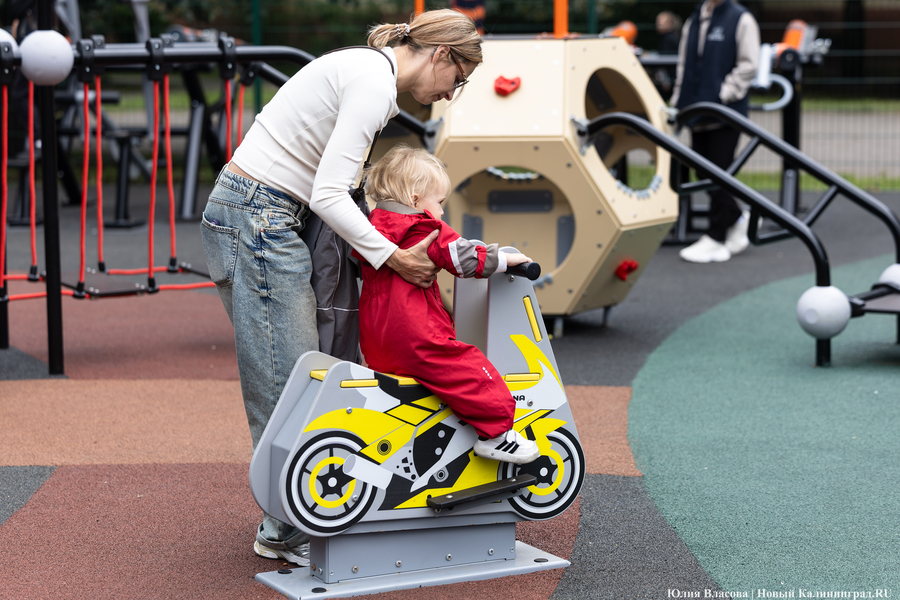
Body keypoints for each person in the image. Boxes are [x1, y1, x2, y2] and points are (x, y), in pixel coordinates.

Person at [200, 9, 482, 567]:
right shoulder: (373, 84)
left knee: (306, 373)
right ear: (442, 55)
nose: (452, 93)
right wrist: (394, 257)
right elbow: (329, 194)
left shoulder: (366, 72)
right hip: (260, 216)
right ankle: (288, 525)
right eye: (460, 78)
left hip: (263, 211)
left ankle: (300, 512)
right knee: (289, 379)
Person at [355, 145, 540, 465]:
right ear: (414, 199)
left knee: (406, 393)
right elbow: (462, 257)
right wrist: (504, 259)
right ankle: (497, 436)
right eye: (439, 203)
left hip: (376, 338)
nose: (441, 213)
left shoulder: (370, 228)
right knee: (470, 370)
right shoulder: (423, 229)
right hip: (415, 334)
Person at [671, 0, 759, 263]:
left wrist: (724, 93)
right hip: (697, 109)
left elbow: (749, 65)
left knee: (719, 172)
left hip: (724, 112)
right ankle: (738, 219)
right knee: (703, 172)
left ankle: (716, 235)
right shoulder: (695, 19)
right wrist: (678, 101)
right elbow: (684, 64)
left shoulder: (741, 19)